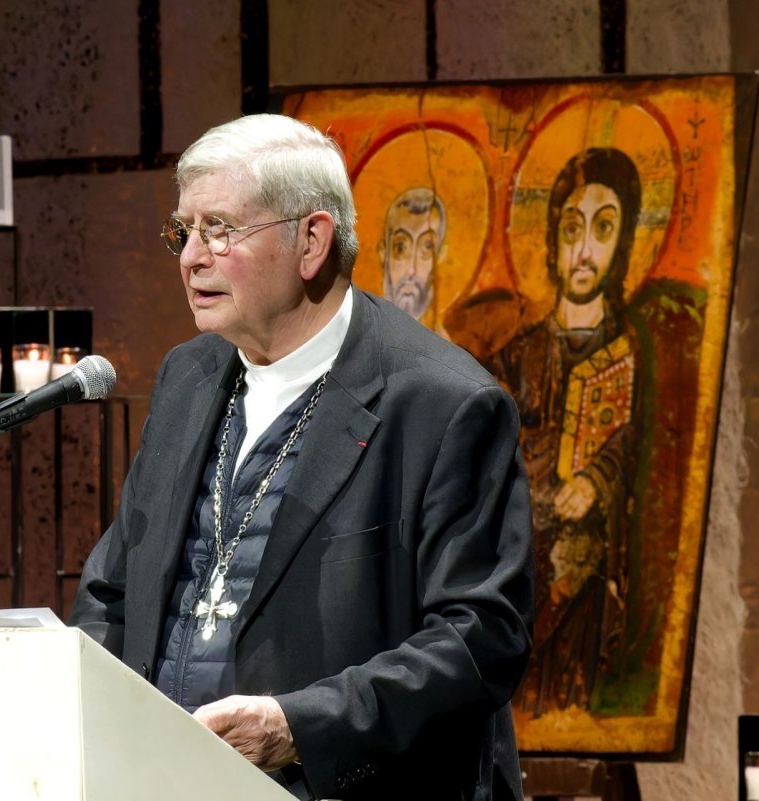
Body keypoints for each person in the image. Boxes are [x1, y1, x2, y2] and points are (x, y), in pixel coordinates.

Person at [69, 113, 534, 800]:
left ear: (311, 240)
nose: (191, 257)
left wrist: (299, 725)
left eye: (219, 229)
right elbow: (114, 589)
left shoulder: (442, 404)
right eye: (184, 230)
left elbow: (480, 637)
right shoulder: (187, 378)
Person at [488, 147, 642, 718]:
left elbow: (633, 450)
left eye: (603, 229)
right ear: (552, 239)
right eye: (571, 228)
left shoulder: (630, 353)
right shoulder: (515, 358)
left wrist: (600, 480)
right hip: (522, 578)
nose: (583, 250)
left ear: (622, 242)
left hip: (588, 585)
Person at [379, 186, 447, 333]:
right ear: (383, 253)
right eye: (401, 247)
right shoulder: (362, 333)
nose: (411, 271)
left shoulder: (445, 348)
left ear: (439, 257)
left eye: (427, 247)